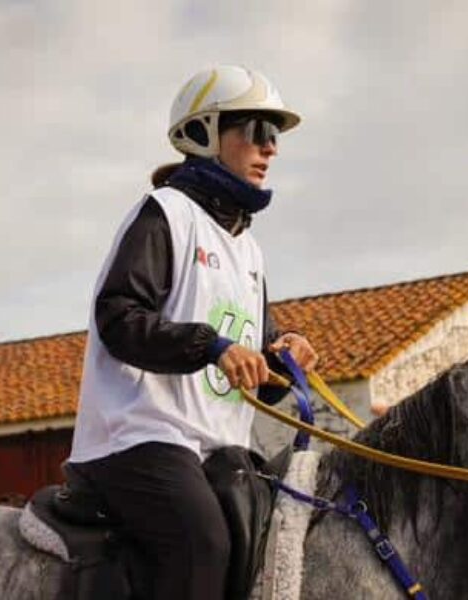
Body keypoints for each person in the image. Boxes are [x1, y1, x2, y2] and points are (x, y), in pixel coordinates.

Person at [67, 65, 319, 600]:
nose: (270, 148)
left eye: (275, 136)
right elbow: (118, 317)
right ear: (204, 132)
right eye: (257, 130)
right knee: (202, 543)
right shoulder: (166, 214)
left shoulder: (249, 251)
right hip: (140, 436)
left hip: (218, 450)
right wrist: (213, 347)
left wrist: (284, 359)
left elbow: (255, 373)